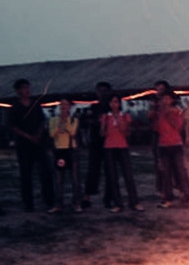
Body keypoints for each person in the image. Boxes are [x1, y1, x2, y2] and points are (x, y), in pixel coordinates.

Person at [9, 79, 54, 212]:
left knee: (45, 172)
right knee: (26, 174)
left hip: (39, 143)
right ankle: (28, 203)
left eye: (28, 87)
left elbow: (42, 121)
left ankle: (49, 200)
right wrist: (29, 137)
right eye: (24, 88)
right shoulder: (15, 108)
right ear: (18, 91)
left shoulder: (36, 104)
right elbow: (13, 127)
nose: (27, 90)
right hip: (23, 145)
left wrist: (39, 135)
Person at [154, 91, 189, 208]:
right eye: (164, 99)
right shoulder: (158, 114)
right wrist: (160, 115)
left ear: (172, 100)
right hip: (163, 145)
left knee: (182, 171)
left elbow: (177, 127)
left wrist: (169, 115)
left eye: (168, 99)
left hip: (176, 144)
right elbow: (156, 128)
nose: (166, 101)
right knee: (166, 173)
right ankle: (167, 198)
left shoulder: (177, 112)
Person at [101, 94, 144, 212]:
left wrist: (120, 123)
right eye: (112, 102)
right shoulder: (106, 116)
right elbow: (102, 134)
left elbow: (126, 133)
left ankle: (134, 202)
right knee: (112, 176)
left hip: (122, 146)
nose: (114, 104)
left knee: (128, 175)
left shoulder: (125, 116)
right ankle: (117, 203)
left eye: (116, 102)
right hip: (109, 146)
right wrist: (104, 124)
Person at [47, 98, 82, 214]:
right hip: (59, 150)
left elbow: (72, 132)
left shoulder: (73, 119)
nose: (63, 107)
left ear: (70, 107)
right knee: (58, 179)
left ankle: (76, 202)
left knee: (75, 179)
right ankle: (58, 203)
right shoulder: (53, 120)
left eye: (66, 105)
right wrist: (58, 124)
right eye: (61, 105)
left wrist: (65, 122)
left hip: (71, 150)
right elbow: (52, 134)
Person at [82, 81, 112, 209]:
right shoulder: (93, 107)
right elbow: (83, 122)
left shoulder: (113, 107)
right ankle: (87, 197)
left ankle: (109, 198)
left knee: (110, 171)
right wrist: (94, 122)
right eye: (100, 91)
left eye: (105, 91)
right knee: (93, 170)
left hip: (110, 142)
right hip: (96, 142)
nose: (102, 93)